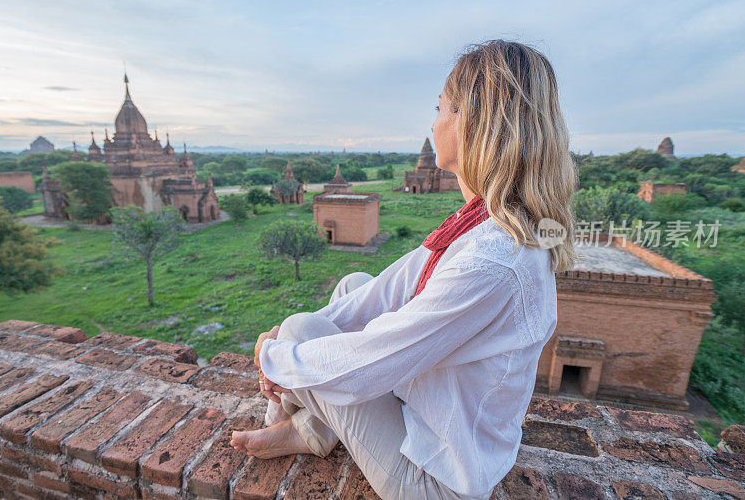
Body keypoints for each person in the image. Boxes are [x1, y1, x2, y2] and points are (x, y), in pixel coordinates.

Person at [230, 39, 577, 500]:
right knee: (353, 285)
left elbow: (370, 365)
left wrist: (275, 358)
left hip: (438, 477)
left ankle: (284, 421)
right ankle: (312, 428)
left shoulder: (493, 260)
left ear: (472, 124)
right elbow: (388, 290)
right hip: (430, 418)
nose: (433, 123)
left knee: (299, 331)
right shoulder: (487, 220)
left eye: (441, 108)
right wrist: (290, 354)